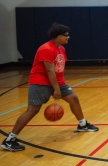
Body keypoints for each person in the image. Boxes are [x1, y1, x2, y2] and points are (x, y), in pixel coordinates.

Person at [1, 23, 98, 152]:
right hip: (40, 82)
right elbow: (50, 71)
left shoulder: (61, 48)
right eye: (66, 35)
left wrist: (61, 85)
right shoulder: (46, 49)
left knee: (73, 98)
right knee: (33, 110)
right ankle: (9, 140)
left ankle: (82, 124)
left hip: (58, 81)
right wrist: (56, 89)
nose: (68, 37)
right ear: (58, 36)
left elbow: (58, 70)